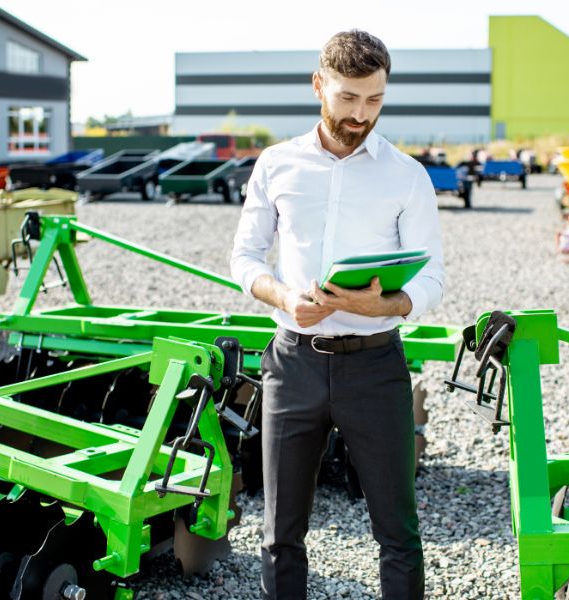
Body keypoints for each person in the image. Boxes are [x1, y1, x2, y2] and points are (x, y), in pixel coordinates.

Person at [230, 29, 445, 600]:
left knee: (398, 532)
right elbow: (245, 257)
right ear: (318, 85)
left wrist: (390, 305)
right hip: (291, 365)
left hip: (375, 367)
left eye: (374, 99)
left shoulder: (407, 175)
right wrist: (282, 297)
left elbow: (433, 276)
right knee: (280, 532)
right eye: (349, 98)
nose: (361, 114)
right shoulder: (277, 165)